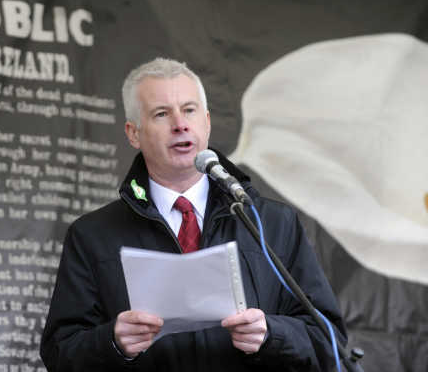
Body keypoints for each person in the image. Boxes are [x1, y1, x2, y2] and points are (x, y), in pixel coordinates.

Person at [40, 57, 347, 371]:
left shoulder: (271, 224)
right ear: (134, 133)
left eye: (189, 110)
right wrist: (113, 343)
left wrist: (272, 335)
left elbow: (329, 343)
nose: (180, 124)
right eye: (162, 114)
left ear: (207, 122)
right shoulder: (92, 235)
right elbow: (60, 352)